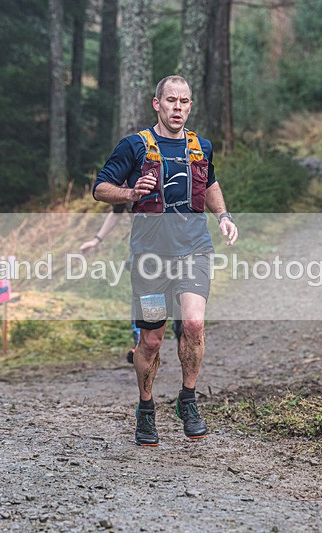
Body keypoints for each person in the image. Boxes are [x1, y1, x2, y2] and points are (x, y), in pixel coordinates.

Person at [93, 75, 238, 446]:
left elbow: (210, 185)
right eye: (171, 100)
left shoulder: (200, 146)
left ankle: (187, 400)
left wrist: (223, 216)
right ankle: (146, 408)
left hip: (194, 251)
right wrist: (129, 191)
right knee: (153, 339)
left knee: (192, 323)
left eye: (184, 101)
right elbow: (100, 188)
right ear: (156, 104)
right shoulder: (134, 146)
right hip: (151, 262)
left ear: (190, 106)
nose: (178, 107)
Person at [79, 206, 182, 363]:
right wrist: (96, 240)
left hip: (174, 247)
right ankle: (141, 343)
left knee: (177, 293)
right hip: (141, 249)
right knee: (144, 296)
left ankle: (181, 331)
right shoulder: (126, 186)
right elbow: (116, 212)